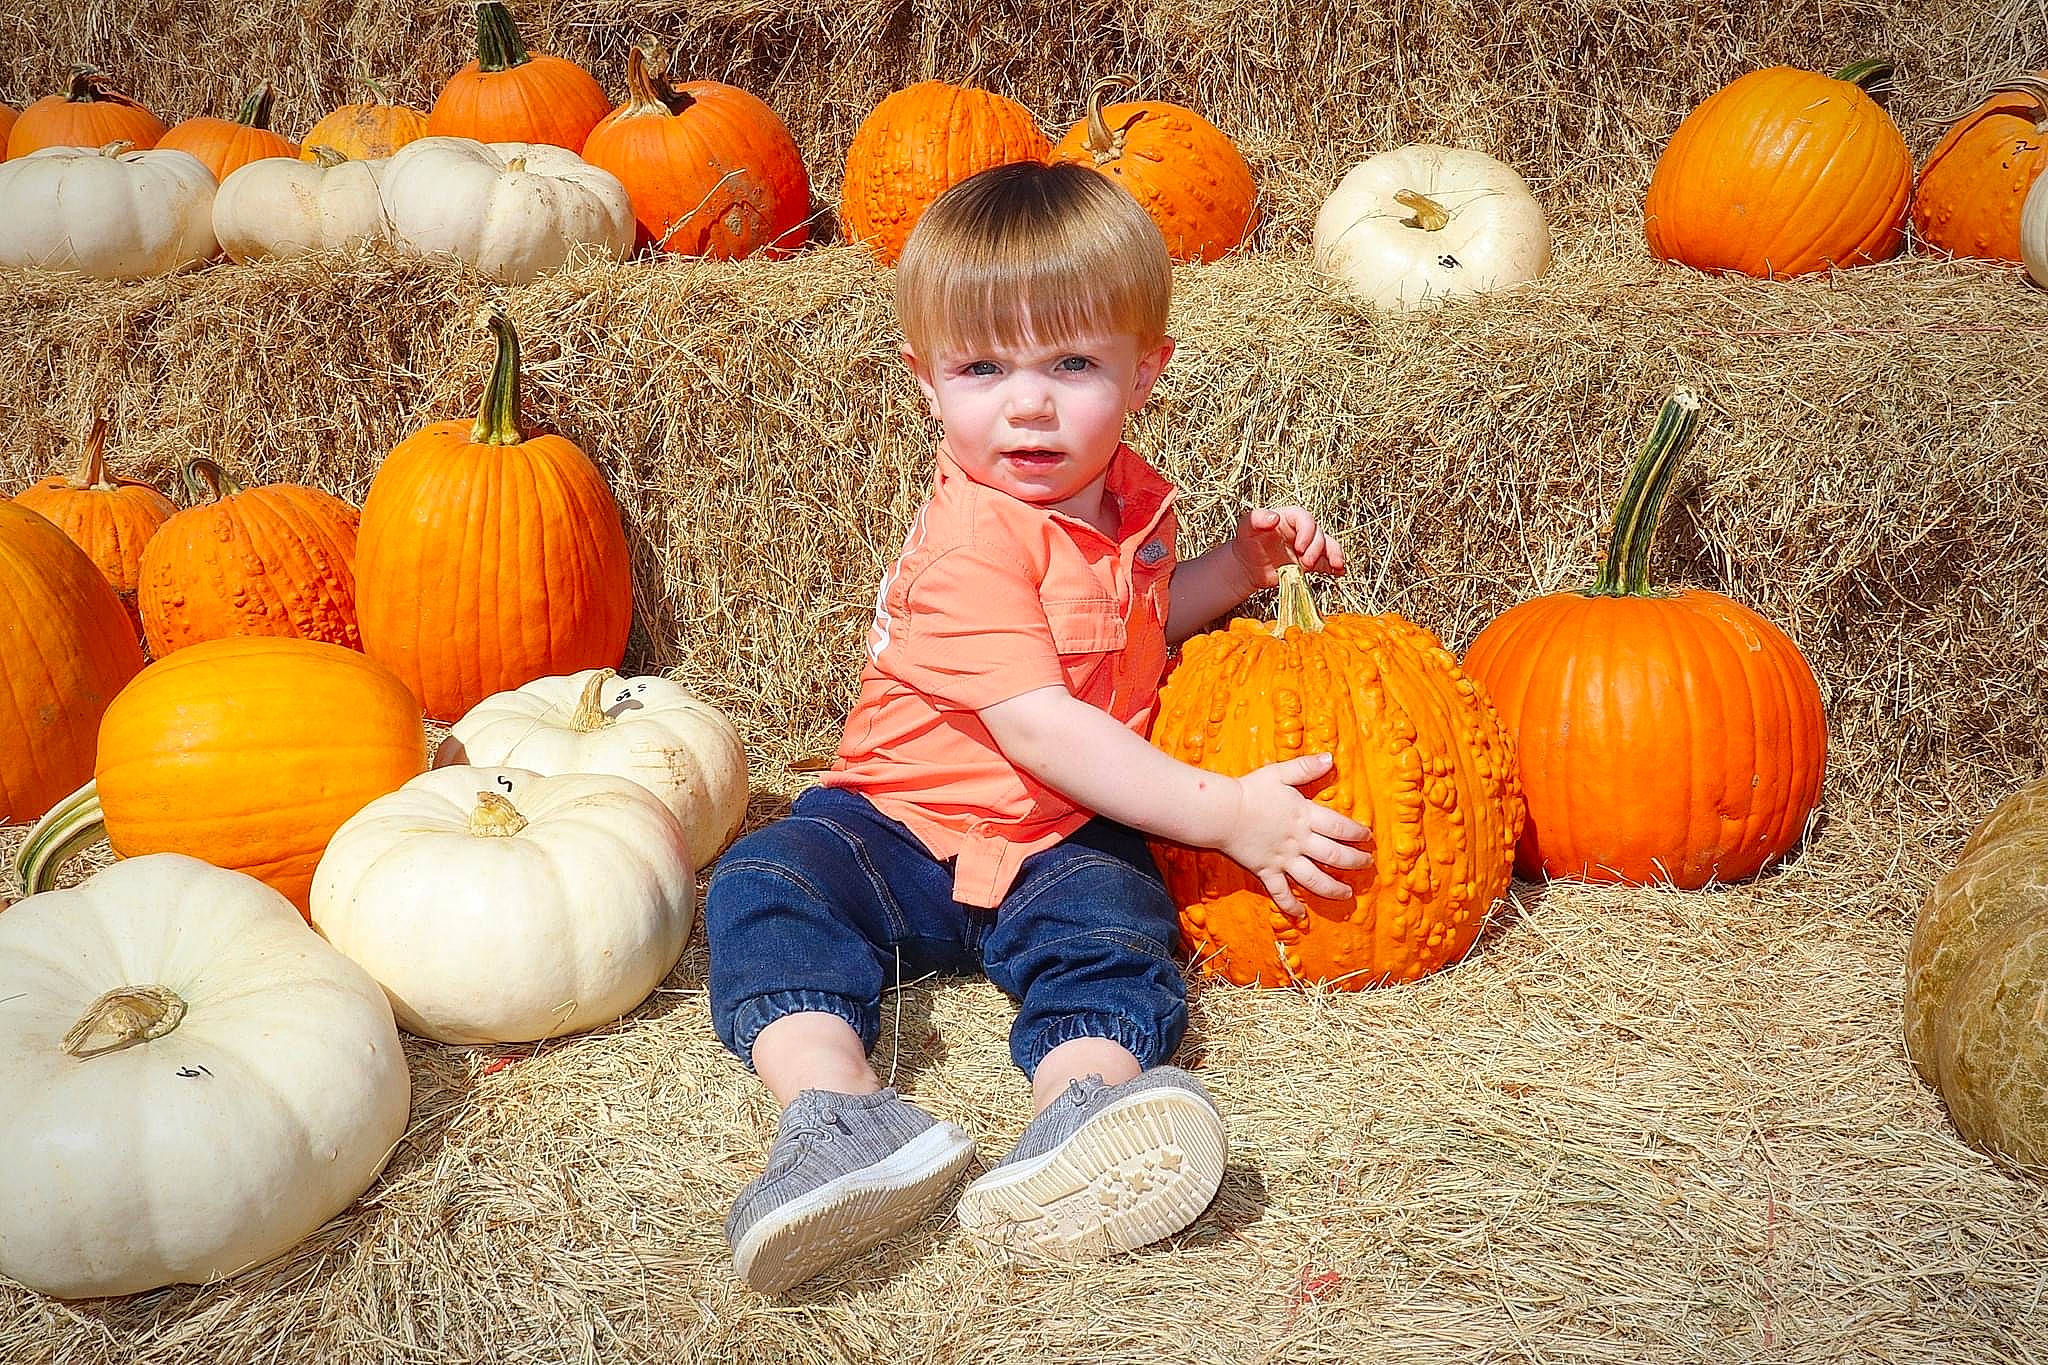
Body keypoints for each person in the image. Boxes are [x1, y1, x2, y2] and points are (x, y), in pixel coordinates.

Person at [706, 160, 1368, 1295]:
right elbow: (1046, 730)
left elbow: (1138, 624)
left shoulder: (1131, 504)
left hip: (1055, 840)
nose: (1027, 404)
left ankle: (1082, 1109)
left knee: (1117, 925)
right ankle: (835, 1110)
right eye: (982, 368)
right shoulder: (970, 544)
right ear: (925, 382)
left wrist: (1237, 568)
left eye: (1071, 365)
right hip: (897, 826)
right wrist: (1229, 816)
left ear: (1145, 371)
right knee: (768, 882)